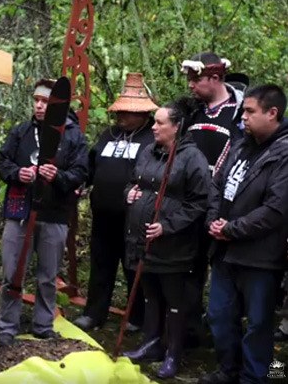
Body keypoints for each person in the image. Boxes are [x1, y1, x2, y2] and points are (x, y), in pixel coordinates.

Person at [199, 85, 288, 384]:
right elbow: (217, 184)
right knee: (220, 316)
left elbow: (276, 209)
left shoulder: (284, 152)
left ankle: (255, 377)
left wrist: (232, 229)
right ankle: (228, 369)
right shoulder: (240, 145)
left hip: (260, 256)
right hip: (225, 251)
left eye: (250, 111)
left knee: (258, 324)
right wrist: (214, 220)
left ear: (272, 113)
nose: (243, 118)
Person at [0, 78, 88, 347]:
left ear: (56, 105)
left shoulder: (72, 135)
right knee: (12, 271)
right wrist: (17, 173)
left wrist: (58, 175)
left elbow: (81, 173)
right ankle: (7, 326)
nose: (38, 106)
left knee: (48, 275)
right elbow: (2, 163)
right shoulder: (21, 132)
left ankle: (43, 324)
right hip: (20, 211)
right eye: (36, 100)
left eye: (45, 101)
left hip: (55, 212)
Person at [122, 97, 210, 379]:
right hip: (141, 240)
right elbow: (134, 181)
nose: (154, 127)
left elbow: (198, 202)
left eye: (160, 123)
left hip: (174, 245)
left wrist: (167, 226)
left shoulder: (192, 158)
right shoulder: (149, 150)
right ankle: (151, 344)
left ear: (177, 126)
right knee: (150, 296)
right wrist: (130, 193)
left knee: (174, 300)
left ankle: (173, 352)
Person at [73, 73, 156, 332]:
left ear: (142, 114)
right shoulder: (107, 134)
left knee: (133, 267)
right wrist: (81, 182)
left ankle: (136, 317)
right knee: (101, 264)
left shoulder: (152, 138)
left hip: (133, 216)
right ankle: (94, 313)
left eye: (128, 113)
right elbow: (91, 163)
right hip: (103, 214)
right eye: (119, 111)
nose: (121, 117)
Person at [180, 52, 246, 346]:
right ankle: (189, 331)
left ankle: (230, 340)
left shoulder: (241, 112)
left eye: (196, 79)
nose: (191, 85)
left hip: (224, 207)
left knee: (226, 273)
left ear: (215, 78)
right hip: (187, 204)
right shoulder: (192, 112)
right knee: (188, 268)